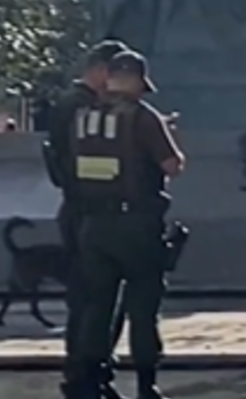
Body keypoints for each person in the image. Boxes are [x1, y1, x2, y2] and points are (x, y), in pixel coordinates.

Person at [69, 51, 185, 399]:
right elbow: (172, 166)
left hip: (93, 226)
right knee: (143, 308)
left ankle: (91, 381)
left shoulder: (84, 117)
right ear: (135, 81)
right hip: (136, 227)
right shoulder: (145, 118)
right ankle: (146, 385)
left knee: (97, 307)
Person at [44, 40, 128, 399]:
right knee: (90, 299)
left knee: (98, 298)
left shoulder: (80, 105)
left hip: (87, 209)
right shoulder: (77, 107)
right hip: (85, 210)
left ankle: (93, 371)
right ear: (101, 71)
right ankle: (83, 374)